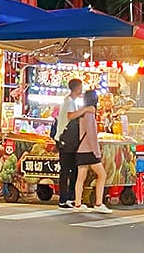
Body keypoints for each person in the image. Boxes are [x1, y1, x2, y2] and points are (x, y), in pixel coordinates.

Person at [73, 90, 111, 214]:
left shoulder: (82, 112)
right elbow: (91, 135)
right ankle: (98, 203)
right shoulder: (89, 114)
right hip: (88, 150)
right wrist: (97, 152)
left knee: (81, 177)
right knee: (102, 175)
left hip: (80, 149)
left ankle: (78, 203)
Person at [55, 78, 86, 208]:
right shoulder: (69, 102)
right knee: (67, 170)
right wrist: (85, 110)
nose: (81, 90)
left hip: (65, 140)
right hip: (65, 141)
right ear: (76, 88)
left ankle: (68, 197)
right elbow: (71, 116)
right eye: (80, 87)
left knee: (69, 170)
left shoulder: (69, 101)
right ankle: (64, 199)